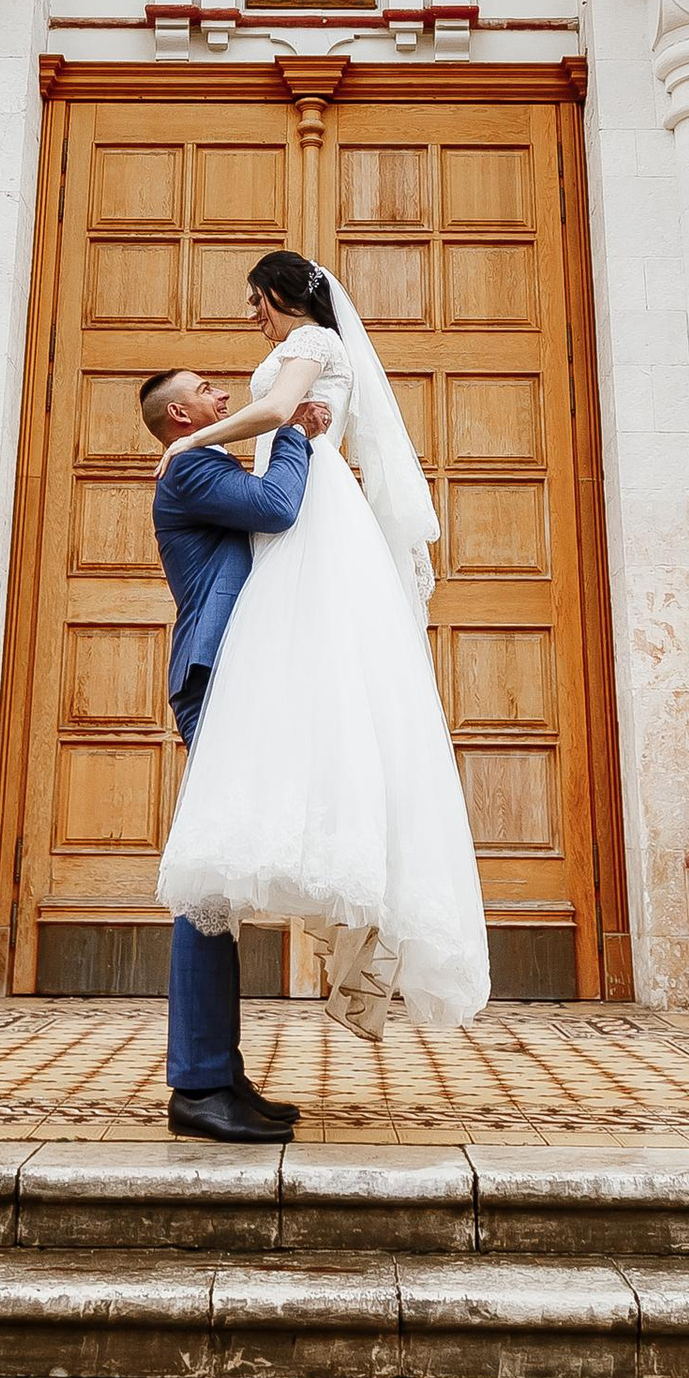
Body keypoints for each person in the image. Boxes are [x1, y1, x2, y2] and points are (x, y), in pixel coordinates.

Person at [154, 249, 491, 1039]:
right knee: (322, 692)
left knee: (325, 669)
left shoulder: (313, 346)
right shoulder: (294, 364)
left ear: (280, 294)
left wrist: (189, 444)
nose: (249, 315)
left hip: (311, 511)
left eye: (253, 298)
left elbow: (275, 417)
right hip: (302, 501)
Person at [140, 358, 331, 1142]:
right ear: (179, 418)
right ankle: (196, 1084)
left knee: (221, 881)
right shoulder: (190, 469)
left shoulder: (205, 455)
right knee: (205, 886)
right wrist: (291, 434)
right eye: (207, 393)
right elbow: (278, 509)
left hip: (243, 678)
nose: (224, 395)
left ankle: (220, 1071)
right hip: (215, 677)